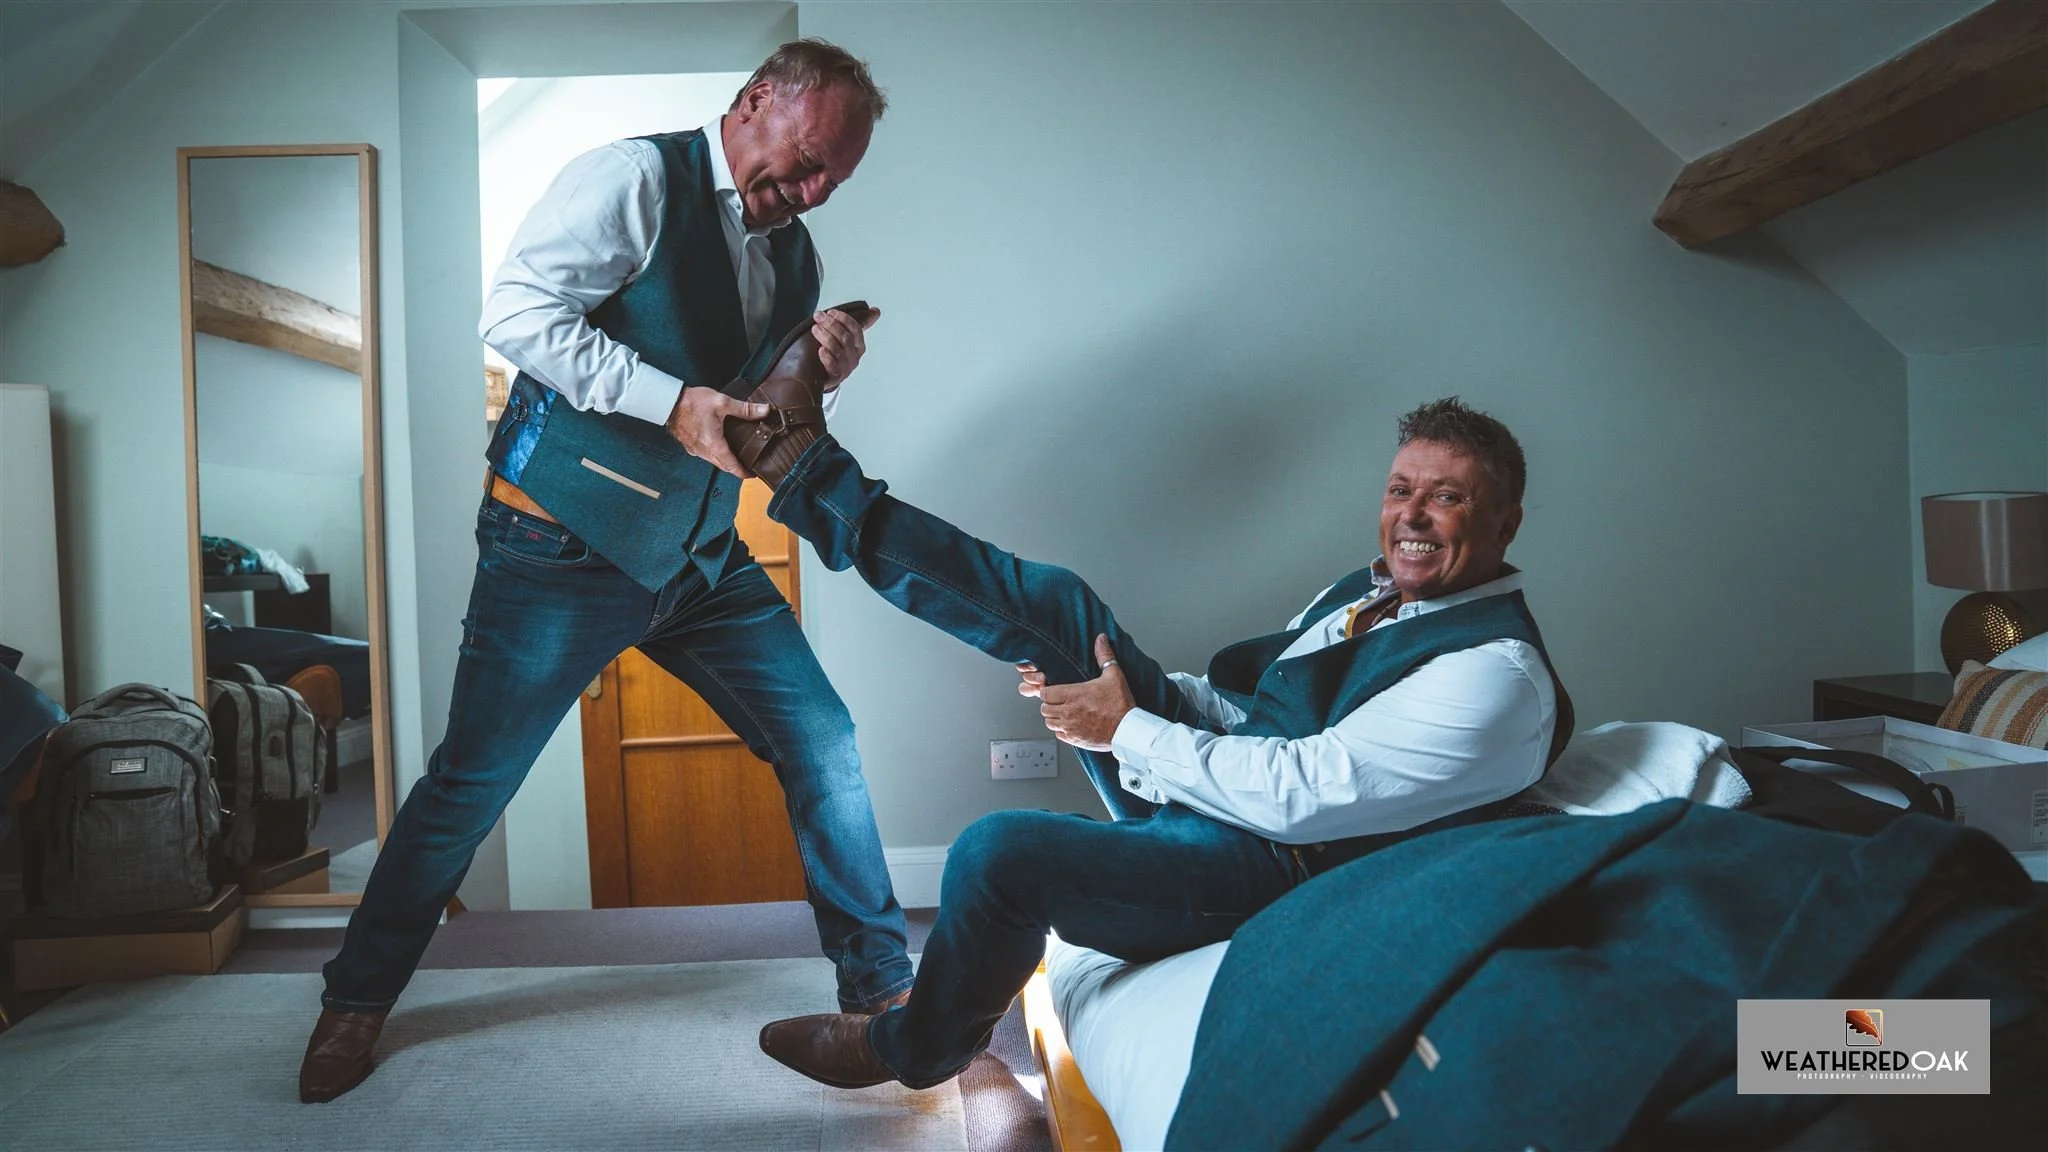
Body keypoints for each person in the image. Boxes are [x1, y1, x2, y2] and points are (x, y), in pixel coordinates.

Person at [299, 39, 914, 1103]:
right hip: (556, 549)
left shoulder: (795, 258)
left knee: (824, 740)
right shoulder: (631, 179)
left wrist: (821, 375)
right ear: (754, 102)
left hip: (700, 558)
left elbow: (756, 419)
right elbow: (515, 315)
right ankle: (355, 997)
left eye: (833, 180)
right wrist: (669, 403)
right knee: (470, 787)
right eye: (808, 160)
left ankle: (883, 997)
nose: (813, 192)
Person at [755, 397, 1575, 1091]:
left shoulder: (1496, 676)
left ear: (1506, 523)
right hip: (1224, 792)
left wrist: (1126, 728)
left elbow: (1302, 795)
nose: (1412, 517)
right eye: (1400, 490)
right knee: (1060, 608)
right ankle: (811, 480)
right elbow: (1261, 708)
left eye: (1447, 498)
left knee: (996, 855)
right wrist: (1130, 696)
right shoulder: (1371, 594)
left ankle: (908, 1049)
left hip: (1273, 868)